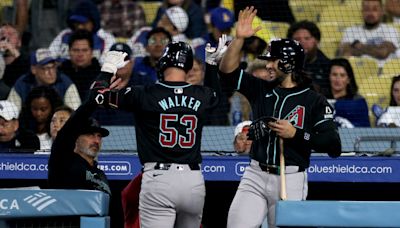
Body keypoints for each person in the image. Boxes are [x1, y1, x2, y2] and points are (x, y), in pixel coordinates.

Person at [219, 7, 342, 228]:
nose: (267, 65)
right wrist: (238, 39)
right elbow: (227, 73)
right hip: (255, 174)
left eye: (273, 60)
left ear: (288, 62)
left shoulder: (314, 100)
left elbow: (333, 146)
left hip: (291, 178)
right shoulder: (259, 88)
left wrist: (297, 134)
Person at [89, 41, 221, 227]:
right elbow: (216, 95)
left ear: (163, 63)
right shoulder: (201, 94)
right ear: (190, 66)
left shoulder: (143, 93)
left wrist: (108, 69)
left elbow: (96, 96)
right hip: (194, 182)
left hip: (159, 179)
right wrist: (212, 66)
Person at [47, 100, 111, 195]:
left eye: (99, 136)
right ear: (75, 138)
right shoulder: (63, 161)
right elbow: (70, 128)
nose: (96, 141)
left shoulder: (101, 174)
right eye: (90, 135)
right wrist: (93, 100)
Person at [7, 48, 81, 111]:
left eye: (53, 67)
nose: (51, 72)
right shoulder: (22, 83)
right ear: (34, 69)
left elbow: (75, 112)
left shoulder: (65, 82)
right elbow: (10, 111)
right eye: (46, 68)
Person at [48, 0, 116, 63]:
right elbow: (49, 56)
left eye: (83, 23)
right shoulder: (65, 34)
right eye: (77, 23)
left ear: (93, 22)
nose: (79, 27)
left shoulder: (106, 39)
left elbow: (105, 65)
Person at [338, 0, 400, 68]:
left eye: (375, 9)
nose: (370, 13)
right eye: (366, 9)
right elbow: (346, 52)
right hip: (356, 70)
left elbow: (383, 53)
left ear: (382, 12)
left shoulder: (390, 30)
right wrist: (375, 49)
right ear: (362, 11)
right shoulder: (350, 31)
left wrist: (359, 47)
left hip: (381, 72)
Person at [324, 58, 370, 127]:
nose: (338, 79)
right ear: (329, 77)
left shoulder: (358, 102)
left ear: (348, 79)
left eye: (342, 75)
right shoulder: (319, 99)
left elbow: (364, 129)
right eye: (334, 74)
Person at [287, 20, 331, 93]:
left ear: (317, 41)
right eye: (297, 39)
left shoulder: (328, 66)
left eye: (307, 38)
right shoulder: (283, 65)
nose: (302, 42)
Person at [58, 30, 101, 102]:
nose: (80, 54)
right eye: (75, 50)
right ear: (69, 51)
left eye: (84, 50)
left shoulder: (101, 75)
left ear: (91, 52)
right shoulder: (60, 73)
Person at [19, 86, 63, 151]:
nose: (38, 113)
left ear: (52, 108)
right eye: (35, 109)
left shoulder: (58, 133)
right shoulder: (22, 133)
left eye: (43, 109)